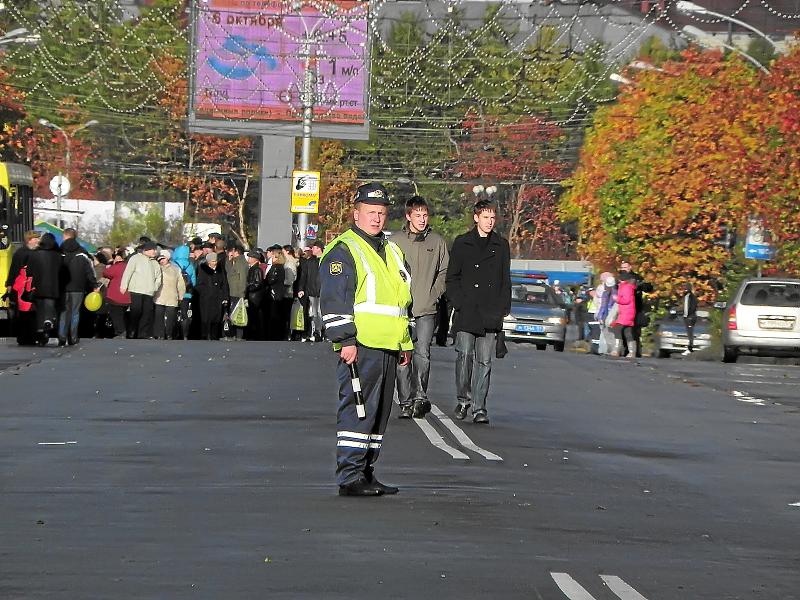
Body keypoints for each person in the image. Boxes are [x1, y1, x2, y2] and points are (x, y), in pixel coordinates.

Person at [320, 182, 412, 497]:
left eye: (382, 213)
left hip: (389, 345)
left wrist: (406, 343)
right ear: (356, 214)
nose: (376, 219)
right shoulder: (344, 249)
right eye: (371, 212)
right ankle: (349, 475)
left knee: (379, 414)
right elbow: (335, 300)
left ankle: (367, 472)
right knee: (358, 410)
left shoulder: (392, 249)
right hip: (360, 346)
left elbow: (402, 300)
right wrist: (344, 339)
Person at [445, 199, 511, 425]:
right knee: (464, 356)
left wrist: (503, 308)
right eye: (485, 217)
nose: (490, 222)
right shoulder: (462, 243)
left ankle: (479, 407)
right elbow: (452, 277)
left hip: (490, 311)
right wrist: (459, 302)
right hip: (467, 310)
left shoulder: (501, 245)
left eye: (493, 218)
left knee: (484, 361)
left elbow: (505, 279)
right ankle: (463, 398)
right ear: (476, 218)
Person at [391, 196, 449, 420]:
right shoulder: (395, 242)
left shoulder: (437, 242)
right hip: (401, 309)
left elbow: (445, 272)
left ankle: (419, 396)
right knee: (403, 356)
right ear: (408, 216)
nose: (422, 219)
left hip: (426, 308)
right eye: (417, 215)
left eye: (425, 215)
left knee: (423, 354)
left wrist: (433, 294)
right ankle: (404, 400)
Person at [59, 237, 98, 346]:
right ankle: (73, 337)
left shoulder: (60, 257)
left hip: (63, 289)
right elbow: (89, 273)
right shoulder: (82, 258)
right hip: (78, 289)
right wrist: (94, 285)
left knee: (63, 313)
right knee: (75, 313)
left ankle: (62, 336)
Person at [120, 241, 162, 339]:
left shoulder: (154, 263)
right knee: (136, 311)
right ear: (146, 250)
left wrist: (154, 288)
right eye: (153, 249)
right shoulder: (135, 258)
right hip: (136, 290)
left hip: (149, 292)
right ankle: (132, 330)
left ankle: (142, 334)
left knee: (146, 313)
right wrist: (124, 285)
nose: (154, 252)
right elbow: (128, 272)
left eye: (155, 250)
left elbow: (158, 277)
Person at [4, 230, 40, 345]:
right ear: (30, 240)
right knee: (25, 313)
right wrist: (9, 284)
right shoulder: (22, 253)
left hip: (27, 287)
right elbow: (14, 269)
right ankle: (26, 336)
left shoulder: (21, 252)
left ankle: (27, 336)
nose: (38, 240)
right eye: (36, 238)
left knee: (28, 313)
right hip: (23, 288)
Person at [28, 233, 63, 345]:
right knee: (50, 307)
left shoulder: (35, 254)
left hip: (38, 286)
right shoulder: (58, 256)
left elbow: (29, 271)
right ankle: (48, 321)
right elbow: (62, 272)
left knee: (40, 310)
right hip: (53, 287)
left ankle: (41, 334)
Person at [195, 252, 229, 340]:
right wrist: (206, 292)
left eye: (216, 260)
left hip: (218, 297)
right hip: (206, 298)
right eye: (213, 261)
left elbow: (224, 284)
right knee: (206, 317)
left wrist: (225, 297)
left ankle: (214, 335)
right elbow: (199, 285)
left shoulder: (220, 270)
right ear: (208, 262)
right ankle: (206, 334)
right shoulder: (203, 270)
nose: (215, 262)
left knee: (217, 317)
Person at [153, 250, 186, 340]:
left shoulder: (175, 269)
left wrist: (181, 295)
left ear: (168, 258)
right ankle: (160, 334)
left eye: (163, 258)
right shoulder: (156, 268)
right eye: (159, 259)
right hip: (159, 296)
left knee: (171, 317)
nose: (161, 261)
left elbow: (180, 283)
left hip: (172, 296)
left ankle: (169, 334)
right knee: (159, 316)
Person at [297, 240, 323, 342]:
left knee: (320, 313)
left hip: (322, 291)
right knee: (312, 313)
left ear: (319, 248)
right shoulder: (309, 262)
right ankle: (313, 332)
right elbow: (304, 276)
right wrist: (301, 289)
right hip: (311, 291)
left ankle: (320, 331)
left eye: (314, 248)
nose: (312, 249)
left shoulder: (325, 260)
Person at [102, 250, 130, 338]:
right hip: (127, 296)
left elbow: (106, 273)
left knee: (116, 315)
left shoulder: (117, 266)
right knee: (123, 315)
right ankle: (124, 331)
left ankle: (120, 332)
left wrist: (112, 264)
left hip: (115, 296)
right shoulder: (129, 266)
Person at [171, 244, 197, 340]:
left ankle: (173, 333)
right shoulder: (190, 265)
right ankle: (185, 334)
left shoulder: (173, 264)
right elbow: (193, 282)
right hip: (187, 294)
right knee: (184, 314)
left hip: (175, 293)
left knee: (173, 313)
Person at [225, 243, 249, 340]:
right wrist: (229, 260)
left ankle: (239, 335)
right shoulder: (235, 261)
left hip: (238, 293)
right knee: (233, 314)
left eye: (233, 251)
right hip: (232, 292)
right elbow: (229, 272)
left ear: (236, 252)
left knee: (238, 314)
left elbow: (242, 279)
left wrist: (242, 293)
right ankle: (233, 334)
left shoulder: (241, 263)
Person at [614, 271, 638, 358]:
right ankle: (632, 352)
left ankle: (616, 350)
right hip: (628, 312)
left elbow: (626, 300)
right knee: (627, 331)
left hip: (626, 312)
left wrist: (617, 299)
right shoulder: (627, 287)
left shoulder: (625, 287)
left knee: (617, 329)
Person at [244, 250, 266, 340]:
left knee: (254, 315)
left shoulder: (257, 269)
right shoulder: (252, 268)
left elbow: (258, 283)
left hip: (255, 297)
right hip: (252, 296)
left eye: (250, 257)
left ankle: (254, 334)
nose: (248, 259)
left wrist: (247, 288)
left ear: (255, 259)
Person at [681, 281, 698, 356]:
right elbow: (684, 307)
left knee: (690, 333)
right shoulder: (685, 296)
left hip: (690, 317)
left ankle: (690, 348)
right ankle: (689, 347)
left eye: (685, 286)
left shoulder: (691, 296)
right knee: (688, 333)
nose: (683, 288)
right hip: (686, 316)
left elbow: (693, 307)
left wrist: (689, 316)